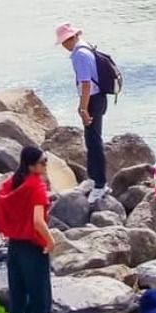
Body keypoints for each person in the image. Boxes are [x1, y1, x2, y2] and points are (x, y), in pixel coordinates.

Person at [0, 146, 55, 313]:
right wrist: (51, 240)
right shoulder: (36, 186)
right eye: (43, 162)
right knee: (40, 298)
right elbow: (38, 222)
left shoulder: (13, 182)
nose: (46, 165)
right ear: (32, 166)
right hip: (33, 248)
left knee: (17, 297)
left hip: (14, 248)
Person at [55, 23, 110, 198]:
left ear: (70, 39)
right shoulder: (87, 47)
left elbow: (85, 83)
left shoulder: (79, 55)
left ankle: (100, 184)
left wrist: (83, 109)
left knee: (94, 141)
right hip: (99, 97)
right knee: (91, 138)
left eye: (64, 42)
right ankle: (93, 178)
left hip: (92, 100)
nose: (64, 46)